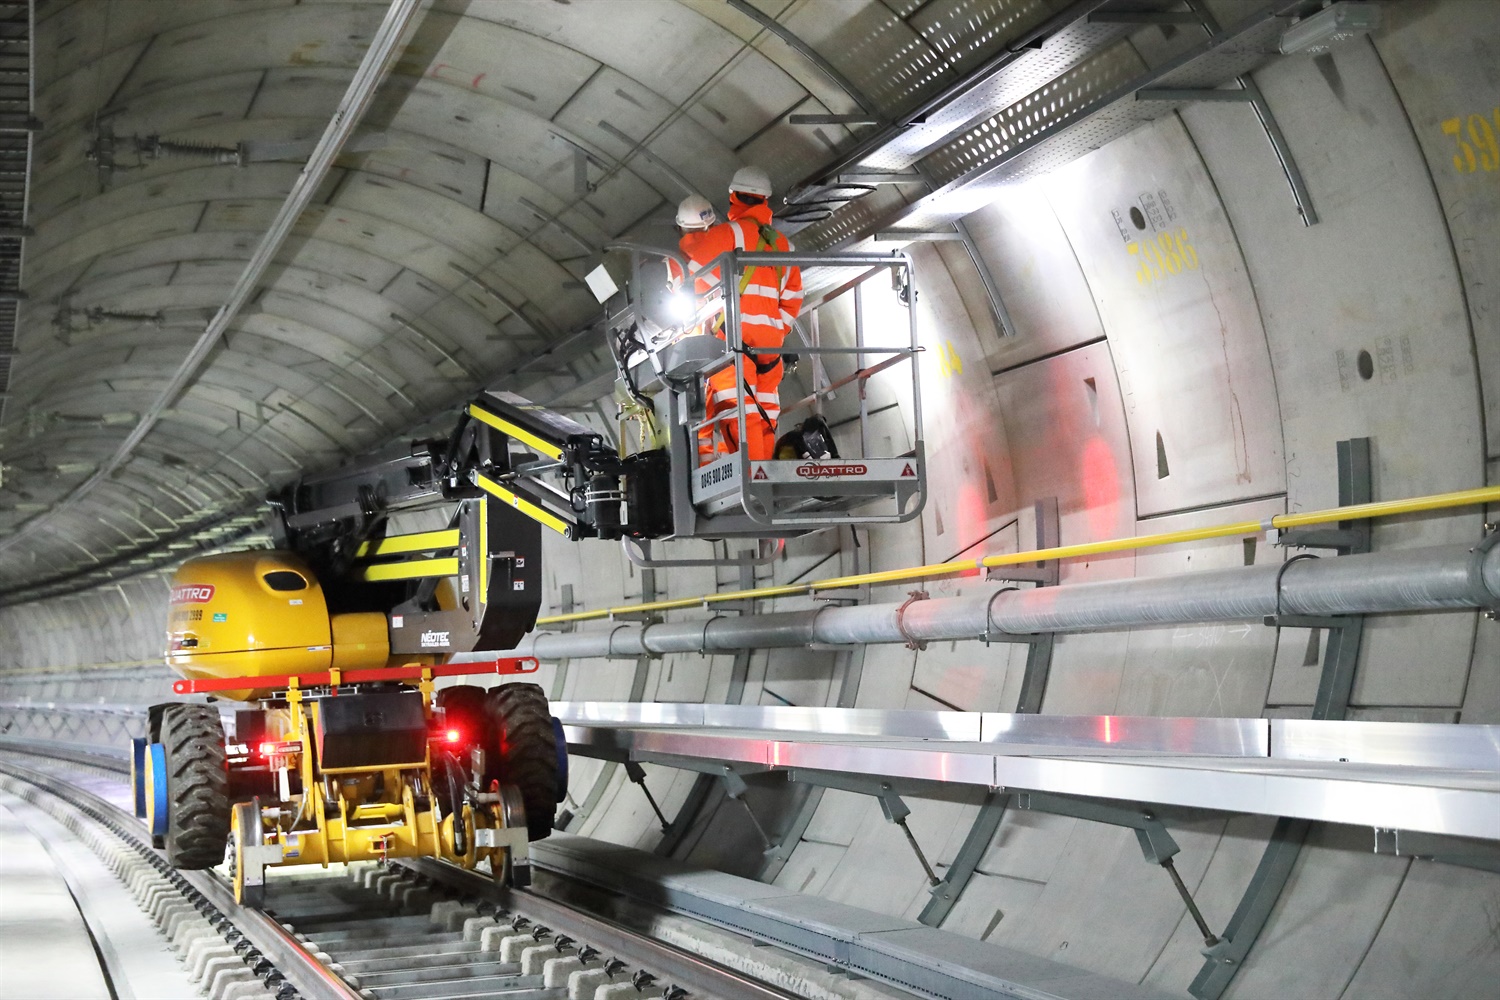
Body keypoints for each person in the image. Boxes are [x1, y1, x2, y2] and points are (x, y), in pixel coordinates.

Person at [677, 167, 802, 463]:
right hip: (770, 348)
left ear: (733, 197)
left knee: (739, 411)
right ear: (765, 201)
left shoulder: (727, 235)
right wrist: (773, 329)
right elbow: (793, 297)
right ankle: (767, 472)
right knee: (766, 411)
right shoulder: (781, 245)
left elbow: (694, 284)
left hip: (733, 341)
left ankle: (753, 475)